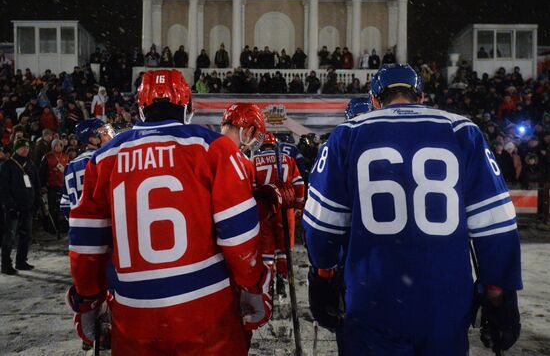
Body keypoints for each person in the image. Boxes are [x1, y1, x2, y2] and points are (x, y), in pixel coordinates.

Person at [304, 64, 522, 355]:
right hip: (444, 301)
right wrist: (498, 293)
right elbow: (496, 225)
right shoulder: (463, 131)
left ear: (374, 99)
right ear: (420, 97)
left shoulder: (347, 135)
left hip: (373, 297)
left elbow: (322, 226)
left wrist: (324, 276)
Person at [66, 70, 272, 355]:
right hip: (206, 313)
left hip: (133, 314)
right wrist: (252, 286)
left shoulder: (104, 158)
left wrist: (88, 300)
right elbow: (238, 233)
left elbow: (87, 241)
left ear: (141, 107)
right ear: (187, 105)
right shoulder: (213, 148)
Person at [252, 132, 304, 296]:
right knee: (284, 248)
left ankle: (269, 282)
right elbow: (299, 184)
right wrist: (298, 205)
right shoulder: (288, 159)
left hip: (264, 210)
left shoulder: (253, 161)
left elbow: (249, 187)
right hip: (285, 210)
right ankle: (283, 276)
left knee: (266, 250)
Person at [0, 139, 41, 275]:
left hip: (27, 207)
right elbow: (3, 188)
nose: (26, 149)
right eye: (23, 147)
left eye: (27, 147)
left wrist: (36, 202)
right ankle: (6, 265)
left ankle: (21, 261)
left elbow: (36, 184)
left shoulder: (30, 164)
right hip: (13, 208)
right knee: (9, 236)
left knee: (26, 235)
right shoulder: (7, 165)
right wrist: (10, 205)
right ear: (16, 149)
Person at [59, 119, 114, 218]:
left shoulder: (71, 165)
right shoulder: (106, 159)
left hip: (78, 227)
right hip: (105, 225)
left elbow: (65, 204)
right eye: (105, 133)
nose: (110, 137)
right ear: (92, 140)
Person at [39, 138, 69, 227]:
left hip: (63, 185)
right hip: (51, 185)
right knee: (52, 206)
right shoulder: (47, 156)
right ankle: (51, 226)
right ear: (53, 146)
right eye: (56, 145)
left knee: (63, 205)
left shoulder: (66, 156)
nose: (58, 147)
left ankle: (63, 225)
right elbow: (41, 172)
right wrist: (43, 185)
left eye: (60, 145)